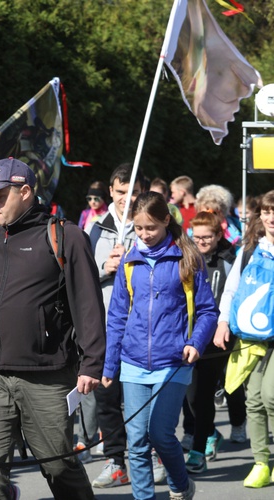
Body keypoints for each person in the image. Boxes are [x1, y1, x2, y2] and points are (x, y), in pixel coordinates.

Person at [0, 157, 106, 500]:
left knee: (59, 467)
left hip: (47, 375)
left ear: (25, 191)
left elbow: (88, 304)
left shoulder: (65, 236)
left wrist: (92, 363)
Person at [104, 191, 218, 500]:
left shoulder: (188, 257)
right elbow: (116, 315)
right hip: (133, 362)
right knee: (137, 439)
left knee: (160, 434)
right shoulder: (129, 260)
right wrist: (109, 365)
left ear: (166, 220)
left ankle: (180, 486)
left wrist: (196, 342)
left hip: (174, 362)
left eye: (151, 228)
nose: (144, 234)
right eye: (138, 228)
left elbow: (208, 310)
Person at [88, 164, 149, 487]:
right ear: (110, 191)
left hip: (144, 330)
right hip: (107, 328)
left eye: (134, 192)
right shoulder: (96, 229)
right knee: (107, 399)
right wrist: (104, 266)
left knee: (141, 398)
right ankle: (115, 461)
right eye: (121, 191)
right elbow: (81, 277)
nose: (127, 198)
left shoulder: (152, 228)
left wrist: (133, 261)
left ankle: (150, 455)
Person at [213, 190, 274, 489]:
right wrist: (223, 322)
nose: (272, 217)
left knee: (271, 396)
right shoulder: (249, 250)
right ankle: (262, 463)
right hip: (252, 336)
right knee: (253, 400)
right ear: (260, 215)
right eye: (267, 211)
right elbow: (231, 290)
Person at [183, 211, 245, 474]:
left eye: (207, 237)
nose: (201, 242)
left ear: (219, 235)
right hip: (190, 334)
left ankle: (198, 451)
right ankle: (210, 433)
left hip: (218, 337)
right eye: (196, 237)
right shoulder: (187, 258)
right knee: (191, 398)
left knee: (205, 394)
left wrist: (228, 325)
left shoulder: (231, 260)